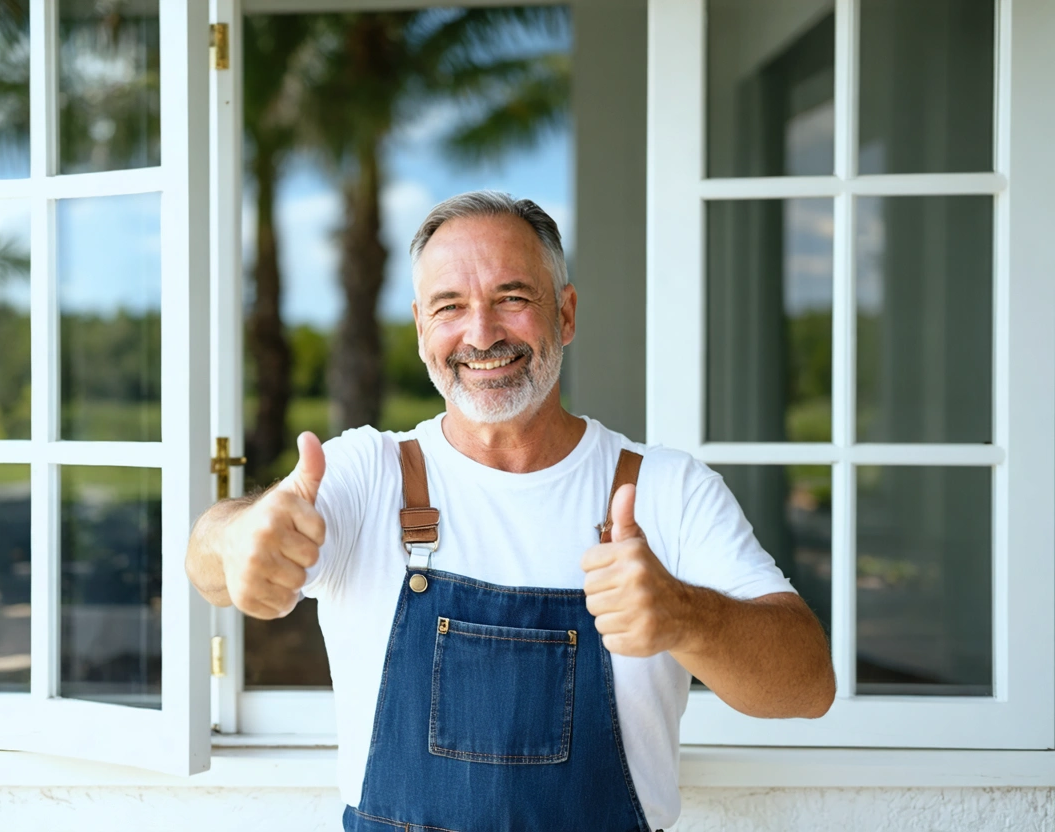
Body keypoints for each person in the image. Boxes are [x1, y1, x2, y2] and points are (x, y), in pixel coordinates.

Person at [185, 191, 835, 832]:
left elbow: (808, 686)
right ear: (421, 330)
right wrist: (238, 540)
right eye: (450, 307)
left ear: (567, 313)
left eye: (512, 299)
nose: (481, 333)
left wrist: (690, 617)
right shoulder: (368, 474)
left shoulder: (666, 488)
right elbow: (206, 559)